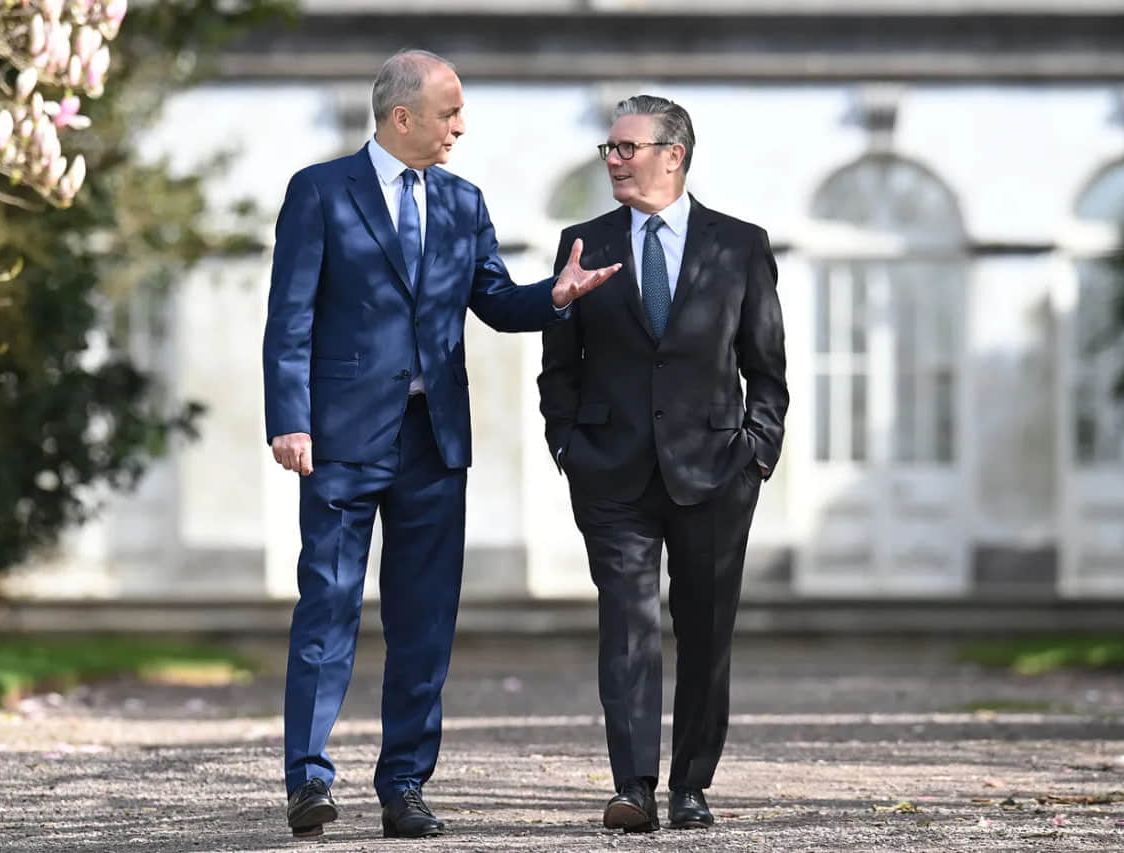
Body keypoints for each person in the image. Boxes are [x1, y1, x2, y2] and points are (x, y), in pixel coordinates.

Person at [262, 49, 620, 840]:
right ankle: (308, 778)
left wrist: (556, 295)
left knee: (424, 622)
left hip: (433, 441)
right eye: (449, 112)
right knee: (328, 605)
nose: (460, 126)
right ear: (402, 117)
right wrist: (289, 419)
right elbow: (290, 316)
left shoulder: (463, 200)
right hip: (340, 439)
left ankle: (404, 785)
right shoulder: (320, 191)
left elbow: (494, 299)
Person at [538, 94, 788, 833]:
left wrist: (757, 454)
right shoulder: (582, 243)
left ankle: (691, 785)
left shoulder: (739, 245)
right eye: (609, 149)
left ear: (673, 155)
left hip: (715, 471)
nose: (613, 160)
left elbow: (766, 367)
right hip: (610, 471)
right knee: (626, 625)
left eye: (627, 148)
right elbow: (560, 366)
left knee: (705, 633)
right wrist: (567, 445)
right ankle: (634, 786)